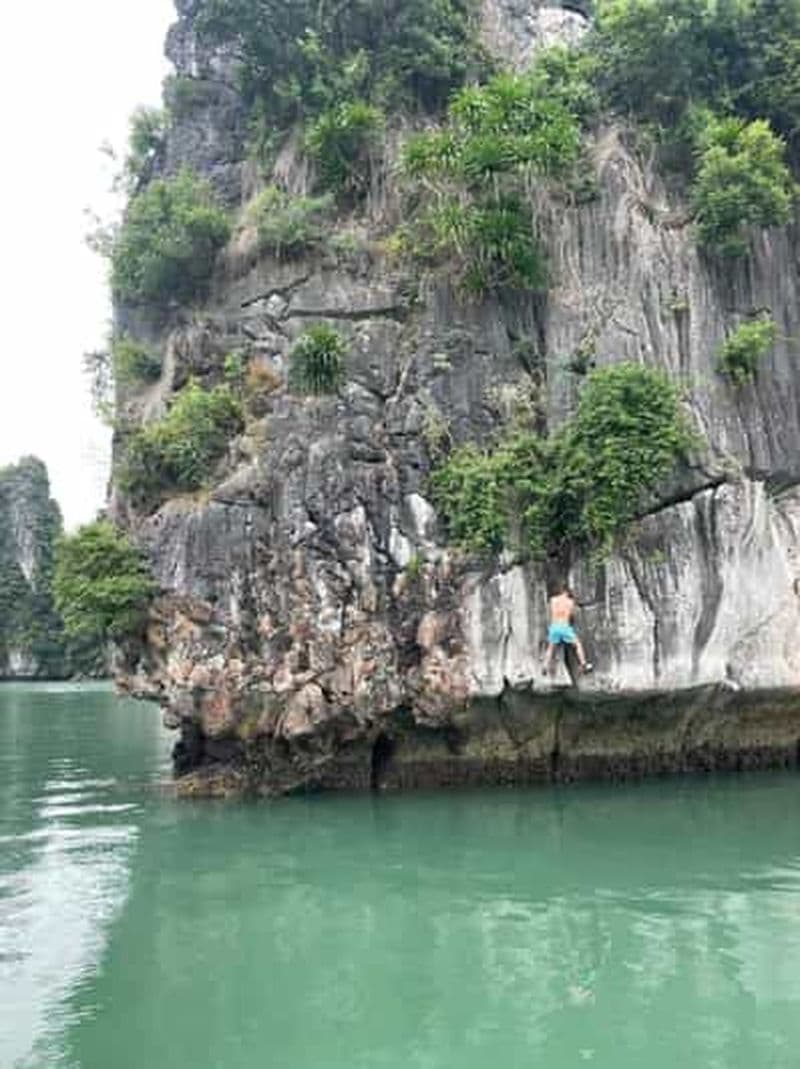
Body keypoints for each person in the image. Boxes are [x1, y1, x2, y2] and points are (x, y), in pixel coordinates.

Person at [543, 584, 593, 676]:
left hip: (554, 626)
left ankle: (545, 666)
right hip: (564, 626)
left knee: (551, 648)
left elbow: (551, 612)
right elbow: (571, 615)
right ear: (566, 592)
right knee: (577, 644)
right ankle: (583, 664)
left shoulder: (553, 600)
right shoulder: (570, 602)